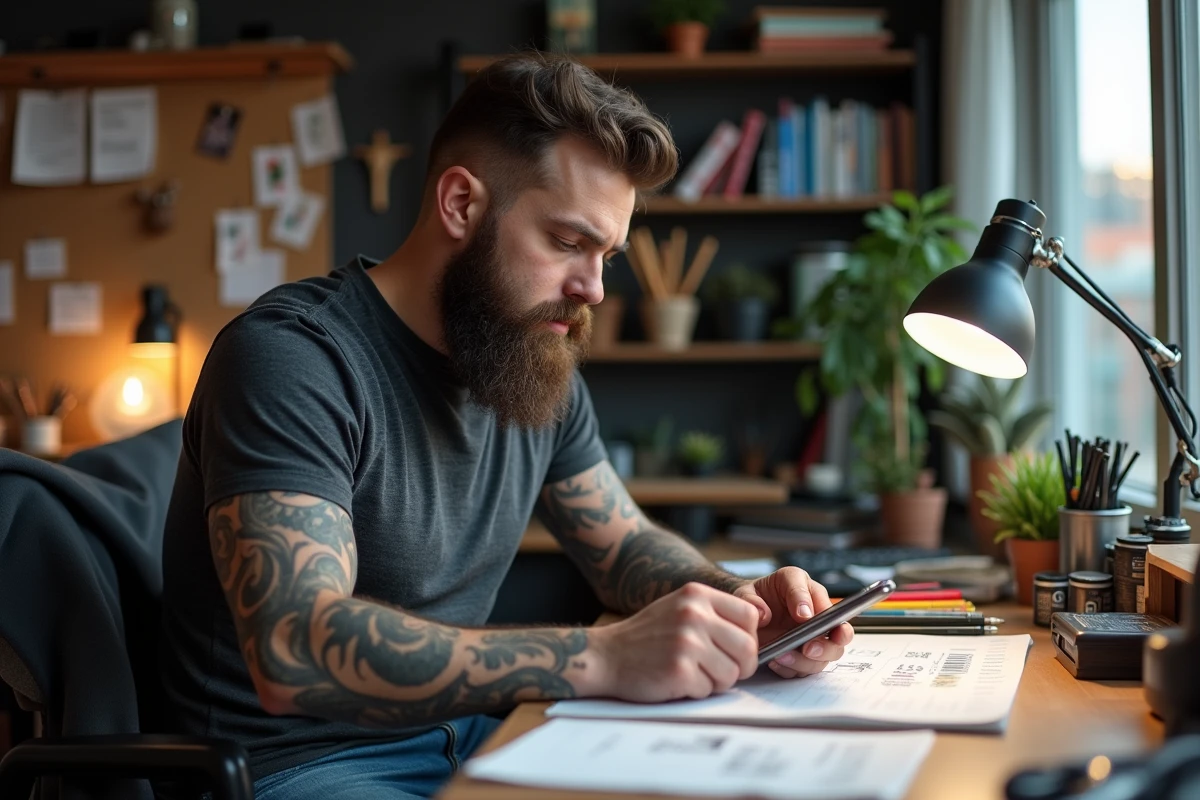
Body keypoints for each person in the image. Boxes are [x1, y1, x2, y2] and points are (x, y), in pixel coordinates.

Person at [158, 51, 853, 799]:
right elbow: (291, 650)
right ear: (461, 204)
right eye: (566, 242)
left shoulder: (526, 355)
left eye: (606, 255)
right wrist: (603, 657)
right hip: (298, 771)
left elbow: (622, 547)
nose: (591, 288)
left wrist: (741, 605)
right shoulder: (293, 359)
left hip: (472, 738)